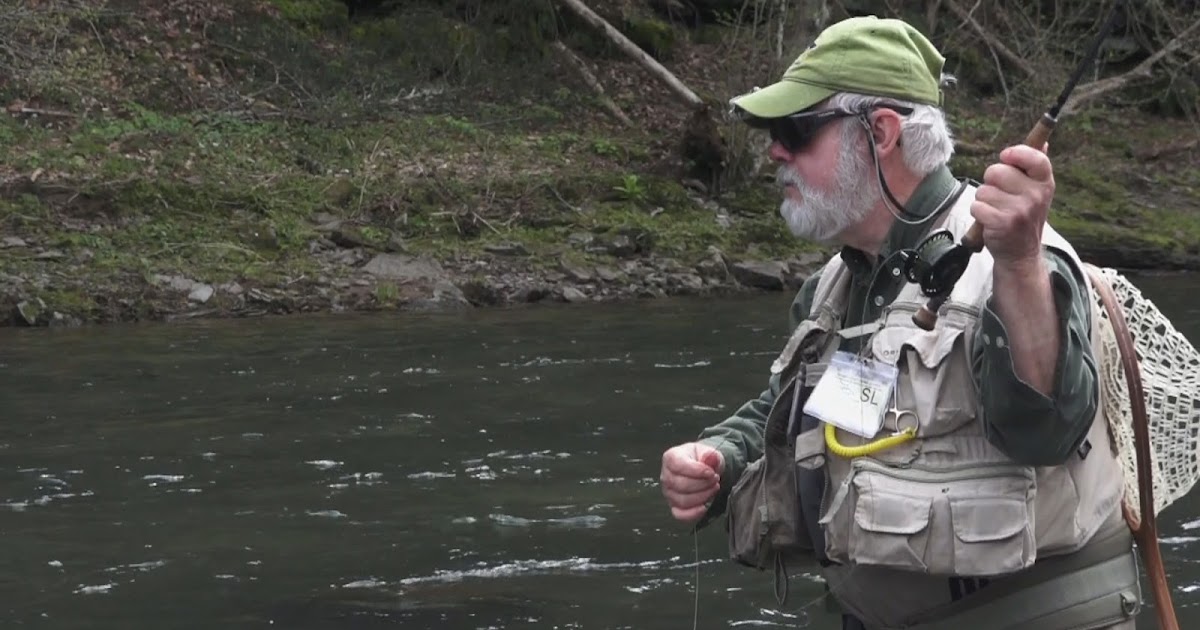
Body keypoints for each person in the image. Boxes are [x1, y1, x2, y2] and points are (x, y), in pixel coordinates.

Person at [658, 15, 1141, 630]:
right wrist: (721, 458)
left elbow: (1043, 430)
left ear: (880, 132)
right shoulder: (840, 285)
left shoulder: (1021, 258)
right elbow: (816, 413)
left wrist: (1018, 264)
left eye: (795, 130)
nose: (775, 150)